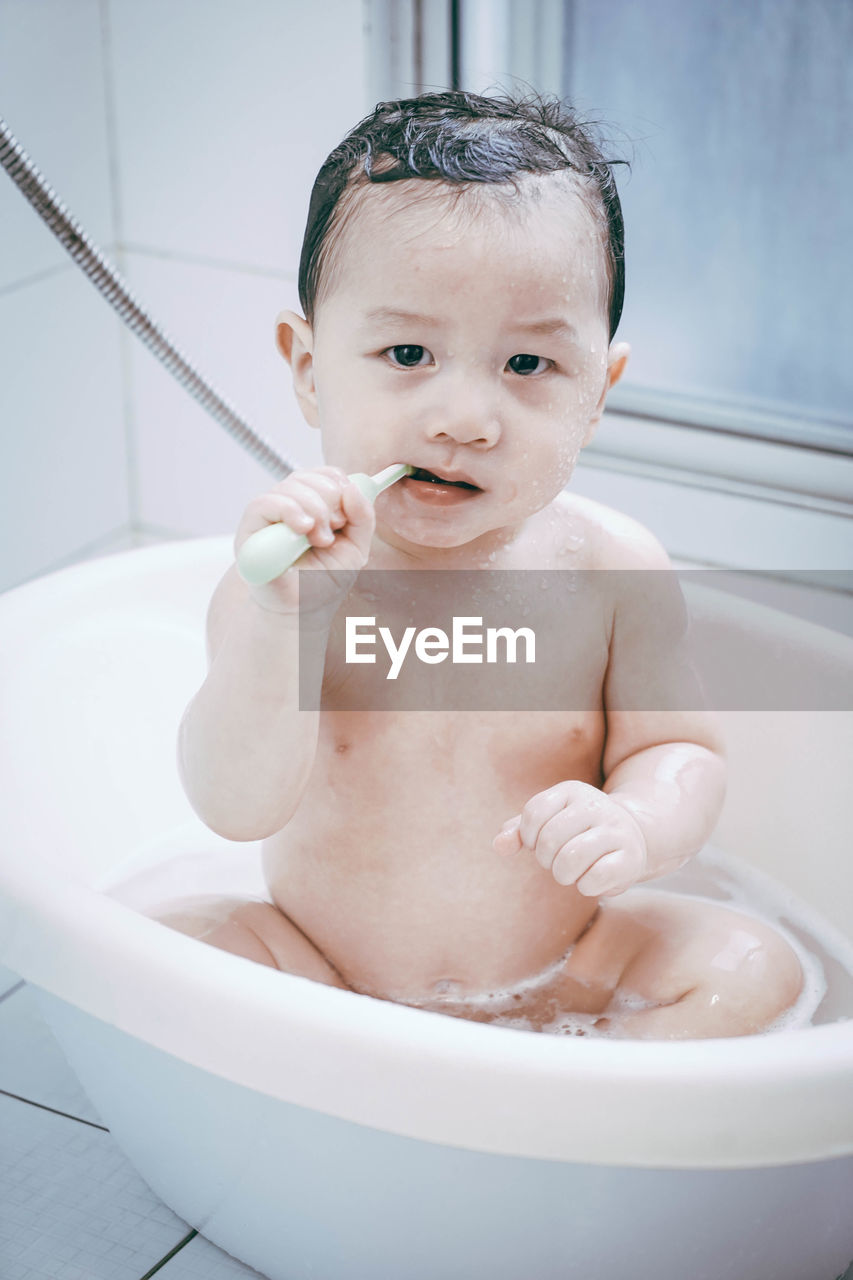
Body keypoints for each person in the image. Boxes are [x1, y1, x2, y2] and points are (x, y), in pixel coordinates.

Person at [164, 91, 803, 1038]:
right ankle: (403, 1092)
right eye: (408, 352)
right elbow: (233, 807)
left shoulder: (608, 571)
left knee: (753, 970)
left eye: (527, 366)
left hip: (568, 969)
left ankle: (566, 1098)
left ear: (599, 391)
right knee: (176, 949)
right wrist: (284, 624)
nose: (465, 417)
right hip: (322, 978)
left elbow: (680, 751)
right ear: (307, 365)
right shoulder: (286, 577)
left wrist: (633, 824)